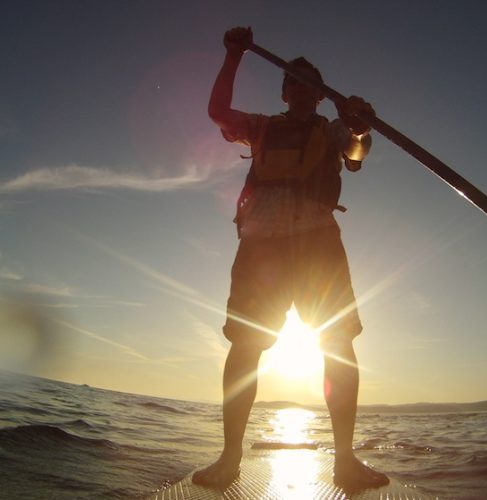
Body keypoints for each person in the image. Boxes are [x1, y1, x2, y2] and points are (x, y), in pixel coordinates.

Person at [193, 26, 389, 490]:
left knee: (338, 345)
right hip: (261, 248)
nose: (301, 88)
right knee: (245, 347)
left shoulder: (335, 127)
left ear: (322, 96)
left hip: (318, 243)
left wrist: (361, 124)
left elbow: (357, 151)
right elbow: (217, 112)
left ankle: (345, 460)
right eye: (293, 82)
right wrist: (233, 56)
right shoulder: (262, 128)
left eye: (310, 84)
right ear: (284, 91)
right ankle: (229, 459)